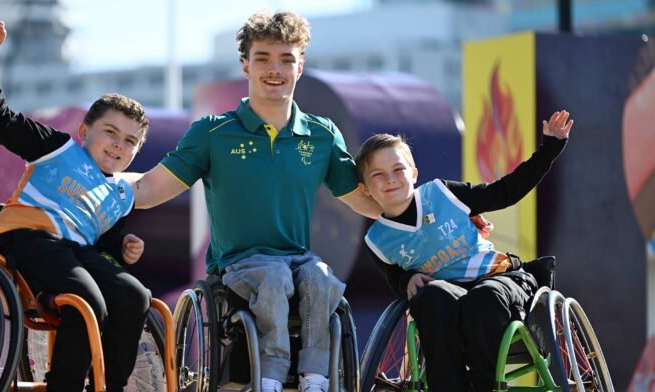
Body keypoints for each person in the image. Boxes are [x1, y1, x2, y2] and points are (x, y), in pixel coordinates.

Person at [127, 11, 383, 392]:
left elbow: (365, 202)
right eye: (262, 58)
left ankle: (315, 378)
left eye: (286, 59)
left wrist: (426, 215)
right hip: (236, 266)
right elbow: (150, 189)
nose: (274, 69)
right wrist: (95, 192)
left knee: (321, 277)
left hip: (297, 263)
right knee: (274, 276)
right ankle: (270, 376)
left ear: (301, 66)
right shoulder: (212, 133)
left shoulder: (322, 135)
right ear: (245, 65)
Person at [0, 20, 151, 392]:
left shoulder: (118, 194)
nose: (119, 145)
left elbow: (96, 239)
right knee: (87, 300)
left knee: (135, 295)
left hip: (72, 251)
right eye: (111, 133)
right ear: (85, 132)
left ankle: (108, 386)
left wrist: (121, 246)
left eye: (130, 141)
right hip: (25, 235)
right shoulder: (57, 148)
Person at [354, 111, 574, 391]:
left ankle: (484, 386)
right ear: (365, 189)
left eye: (398, 170)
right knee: (429, 296)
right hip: (452, 295)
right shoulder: (378, 240)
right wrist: (406, 280)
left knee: (484, 296)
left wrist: (550, 148)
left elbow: (505, 192)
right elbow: (396, 279)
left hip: (501, 279)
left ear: (414, 173)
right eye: (378, 175)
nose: (390, 179)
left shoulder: (441, 193)